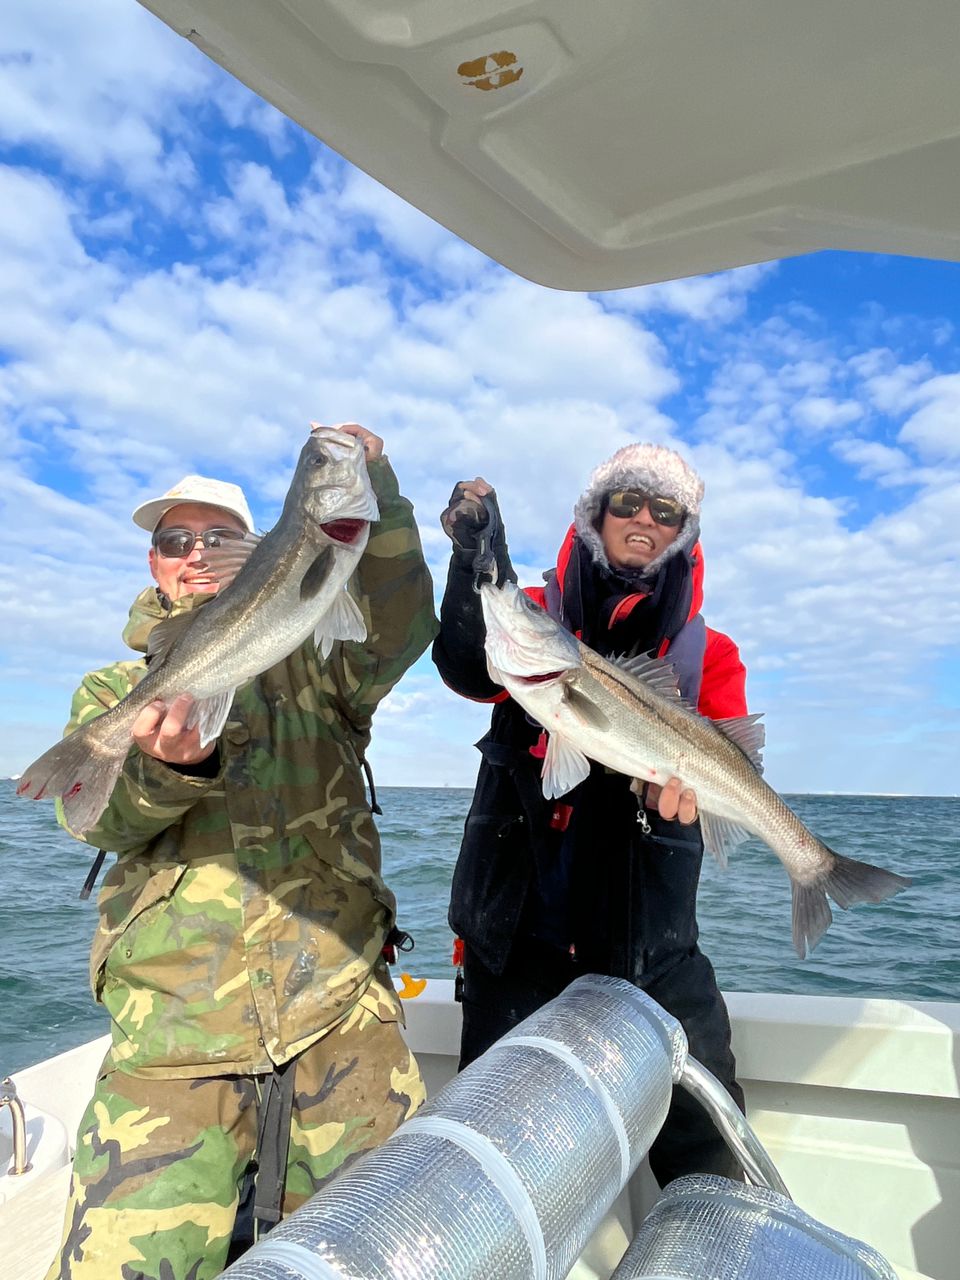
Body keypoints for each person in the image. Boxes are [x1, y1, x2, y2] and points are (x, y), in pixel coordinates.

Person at [46, 424, 438, 1280]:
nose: (192, 554)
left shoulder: (320, 658)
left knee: (402, 1251)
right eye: (171, 541)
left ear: (253, 549)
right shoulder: (114, 692)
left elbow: (403, 619)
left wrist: (385, 489)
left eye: (215, 537)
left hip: (338, 1012)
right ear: (153, 564)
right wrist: (161, 766)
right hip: (171, 1040)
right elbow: (95, 821)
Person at [433, 441, 748, 1187]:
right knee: (495, 1178)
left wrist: (692, 803)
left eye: (664, 510)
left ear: (683, 531)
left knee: (715, 1162)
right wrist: (473, 558)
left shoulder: (712, 654)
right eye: (626, 502)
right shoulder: (534, 619)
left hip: (653, 947)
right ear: (595, 516)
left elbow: (737, 770)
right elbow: (462, 659)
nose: (644, 518)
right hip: (514, 941)